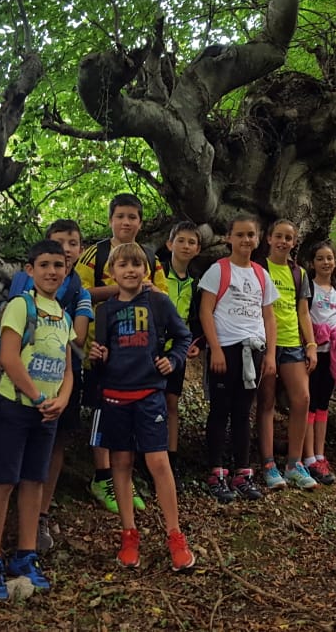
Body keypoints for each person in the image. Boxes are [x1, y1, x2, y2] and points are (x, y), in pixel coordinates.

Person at [87, 242, 196, 571]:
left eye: (137, 264)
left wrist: (173, 360)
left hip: (149, 395)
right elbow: (101, 353)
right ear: (112, 272)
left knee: (158, 462)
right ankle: (129, 534)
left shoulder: (159, 303)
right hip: (115, 397)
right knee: (120, 463)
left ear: (147, 270)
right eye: (123, 265)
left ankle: (175, 536)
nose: (130, 270)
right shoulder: (104, 310)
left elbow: (182, 337)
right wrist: (98, 358)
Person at [0, 240, 75, 600]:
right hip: (15, 406)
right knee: (2, 481)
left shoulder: (62, 315)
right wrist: (36, 397)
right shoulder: (22, 305)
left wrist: (61, 400)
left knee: (35, 480)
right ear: (30, 270)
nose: (52, 271)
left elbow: (68, 368)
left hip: (48, 412)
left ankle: (25, 554)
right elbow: (9, 358)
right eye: (44, 264)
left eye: (59, 265)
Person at [76, 194, 165, 514]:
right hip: (101, 348)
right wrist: (122, 289)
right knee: (103, 410)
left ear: (140, 222)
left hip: (139, 349)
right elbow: (80, 293)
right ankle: (103, 477)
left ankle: (123, 475)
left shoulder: (150, 258)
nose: (126, 222)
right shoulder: (94, 254)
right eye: (120, 216)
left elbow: (161, 296)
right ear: (111, 219)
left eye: (132, 217)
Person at [198, 215, 279, 502]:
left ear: (258, 239)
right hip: (226, 349)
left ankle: (242, 472)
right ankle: (216, 472)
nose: (246, 240)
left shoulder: (261, 274)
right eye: (240, 234)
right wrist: (216, 349)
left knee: (244, 412)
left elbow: (269, 316)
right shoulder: (218, 270)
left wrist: (270, 354)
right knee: (220, 410)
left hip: (253, 351)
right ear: (228, 238)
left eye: (251, 235)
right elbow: (206, 311)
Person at [32, 220, 93, 553]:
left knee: (56, 442)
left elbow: (80, 338)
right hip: (26, 379)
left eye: (73, 243)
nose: (67, 249)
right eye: (59, 242)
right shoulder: (26, 283)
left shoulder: (80, 292)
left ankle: (41, 512)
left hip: (66, 377)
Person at [255, 219, 320, 490]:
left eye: (288, 238)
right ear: (268, 239)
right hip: (265, 341)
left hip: (293, 341)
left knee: (302, 399)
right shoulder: (259, 269)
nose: (283, 242)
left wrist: (311, 344)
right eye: (278, 236)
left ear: (295, 242)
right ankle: (268, 464)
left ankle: (294, 463)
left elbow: (303, 311)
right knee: (266, 401)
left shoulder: (299, 274)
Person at [303, 241, 336, 485]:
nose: (325, 263)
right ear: (312, 263)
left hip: (333, 354)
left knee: (323, 404)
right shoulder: (308, 288)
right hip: (312, 353)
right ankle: (308, 456)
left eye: (329, 258)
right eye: (320, 258)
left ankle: (320, 453)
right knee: (308, 404)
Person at [161, 221, 204, 479]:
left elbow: (197, 318)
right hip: (152, 348)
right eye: (181, 240)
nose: (186, 246)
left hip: (177, 351)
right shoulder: (157, 273)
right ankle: (145, 455)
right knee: (148, 401)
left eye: (191, 242)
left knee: (171, 402)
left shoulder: (195, 283)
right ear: (170, 244)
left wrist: (194, 343)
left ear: (198, 249)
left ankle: (171, 457)